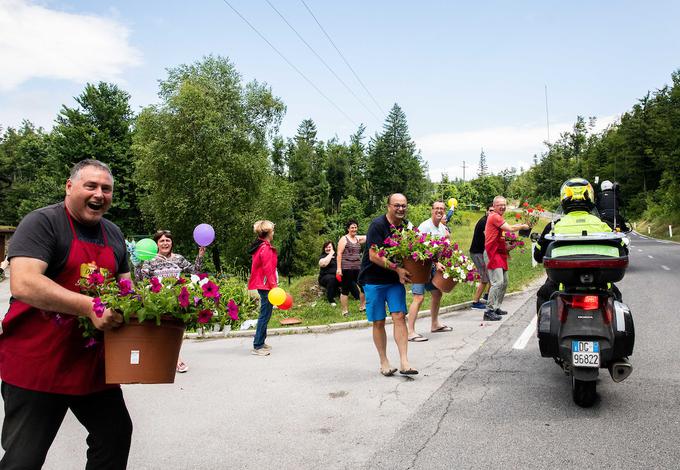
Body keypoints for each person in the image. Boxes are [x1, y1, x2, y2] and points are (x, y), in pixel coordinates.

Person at [0, 159, 132, 469]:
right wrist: (91, 307)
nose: (99, 194)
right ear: (69, 187)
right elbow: (24, 283)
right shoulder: (42, 223)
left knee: (114, 436)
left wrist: (161, 313)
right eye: (91, 186)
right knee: (24, 460)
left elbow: (127, 290)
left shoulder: (113, 234)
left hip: (91, 365)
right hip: (38, 363)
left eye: (107, 188)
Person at [534, 178, 620, 311]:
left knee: (543, 295)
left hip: (562, 281)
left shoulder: (554, 226)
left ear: (564, 198)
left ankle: (544, 330)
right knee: (616, 296)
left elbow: (538, 255)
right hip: (599, 282)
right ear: (590, 197)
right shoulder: (602, 225)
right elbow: (621, 247)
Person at [358, 193, 417, 377]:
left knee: (399, 316)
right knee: (379, 321)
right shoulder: (377, 225)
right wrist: (397, 269)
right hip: (373, 280)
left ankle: (405, 362)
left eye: (403, 205)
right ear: (388, 206)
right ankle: (384, 362)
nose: (400, 209)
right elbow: (374, 255)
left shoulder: (407, 227)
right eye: (396, 205)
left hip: (393, 280)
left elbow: (414, 249)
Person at [138, 229, 206, 373]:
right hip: (158, 300)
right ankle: (176, 359)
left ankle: (172, 357)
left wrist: (200, 256)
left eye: (168, 240)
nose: (165, 243)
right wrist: (137, 264)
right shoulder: (150, 260)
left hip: (177, 299)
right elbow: (141, 280)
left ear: (172, 243)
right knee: (163, 330)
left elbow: (195, 272)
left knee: (176, 331)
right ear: (156, 244)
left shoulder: (178, 259)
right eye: (162, 240)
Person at [406, 201, 451, 342]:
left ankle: (434, 324)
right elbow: (417, 247)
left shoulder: (442, 228)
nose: (439, 211)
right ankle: (410, 332)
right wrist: (435, 262)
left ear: (444, 211)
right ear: (431, 210)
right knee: (418, 298)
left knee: (437, 293)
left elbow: (443, 247)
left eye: (442, 209)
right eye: (436, 208)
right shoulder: (425, 226)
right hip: (419, 266)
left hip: (432, 265)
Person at [483, 196, 530, 321]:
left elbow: (502, 234)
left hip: (499, 252)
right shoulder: (494, 216)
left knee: (504, 281)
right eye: (499, 205)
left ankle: (496, 306)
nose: (502, 207)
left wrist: (510, 245)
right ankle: (489, 311)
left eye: (504, 204)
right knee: (497, 282)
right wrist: (523, 226)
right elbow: (510, 228)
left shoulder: (498, 217)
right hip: (491, 253)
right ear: (494, 206)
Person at [247, 220, 278, 357]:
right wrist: (274, 287)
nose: (273, 233)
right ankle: (257, 345)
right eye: (272, 231)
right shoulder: (264, 248)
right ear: (268, 233)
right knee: (264, 314)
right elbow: (268, 269)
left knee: (266, 313)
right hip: (265, 285)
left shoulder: (261, 245)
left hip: (264, 284)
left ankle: (261, 341)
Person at [336, 220, 366, 316]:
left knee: (363, 287)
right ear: (348, 229)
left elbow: (369, 236)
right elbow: (339, 254)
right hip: (346, 268)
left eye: (355, 227)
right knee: (345, 290)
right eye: (352, 227)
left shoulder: (357, 238)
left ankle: (362, 307)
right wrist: (339, 269)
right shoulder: (344, 239)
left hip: (357, 267)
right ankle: (345, 311)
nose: (354, 229)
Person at [469, 204, 493, 310]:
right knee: (484, 278)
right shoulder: (484, 222)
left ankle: (487, 296)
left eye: (494, 211)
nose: (492, 213)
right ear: (486, 211)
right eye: (490, 210)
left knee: (490, 276)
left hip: (482, 252)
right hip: (477, 252)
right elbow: (488, 237)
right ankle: (475, 302)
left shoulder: (489, 221)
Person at [318, 240, 340, 306]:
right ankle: (331, 300)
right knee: (331, 279)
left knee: (348, 277)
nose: (328, 248)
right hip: (325, 278)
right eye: (326, 247)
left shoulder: (337, 256)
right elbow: (323, 264)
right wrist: (330, 254)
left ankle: (357, 297)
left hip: (337, 276)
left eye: (329, 247)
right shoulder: (323, 256)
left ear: (333, 247)